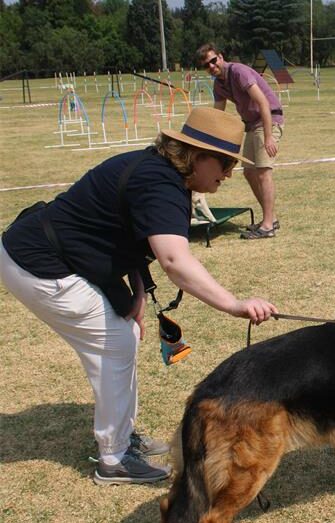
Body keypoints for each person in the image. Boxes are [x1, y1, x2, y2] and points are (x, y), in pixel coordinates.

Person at [0, 107, 279, 485]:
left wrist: (136, 297)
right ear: (197, 158)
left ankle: (121, 439)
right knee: (115, 342)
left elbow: (130, 235)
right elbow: (173, 260)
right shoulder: (160, 183)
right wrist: (233, 304)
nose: (228, 174)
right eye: (225, 163)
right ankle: (113, 458)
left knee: (122, 337)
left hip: (52, 255)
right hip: (36, 261)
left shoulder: (163, 174)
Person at [196, 43, 284, 240]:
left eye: (213, 60)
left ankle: (268, 225)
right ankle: (271, 218)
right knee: (249, 172)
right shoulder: (219, 84)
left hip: (268, 120)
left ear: (220, 56)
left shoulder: (239, 72)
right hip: (252, 125)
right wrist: (209, 142)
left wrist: (269, 136)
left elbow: (262, 102)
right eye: (206, 65)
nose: (211, 66)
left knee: (263, 172)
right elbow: (218, 114)